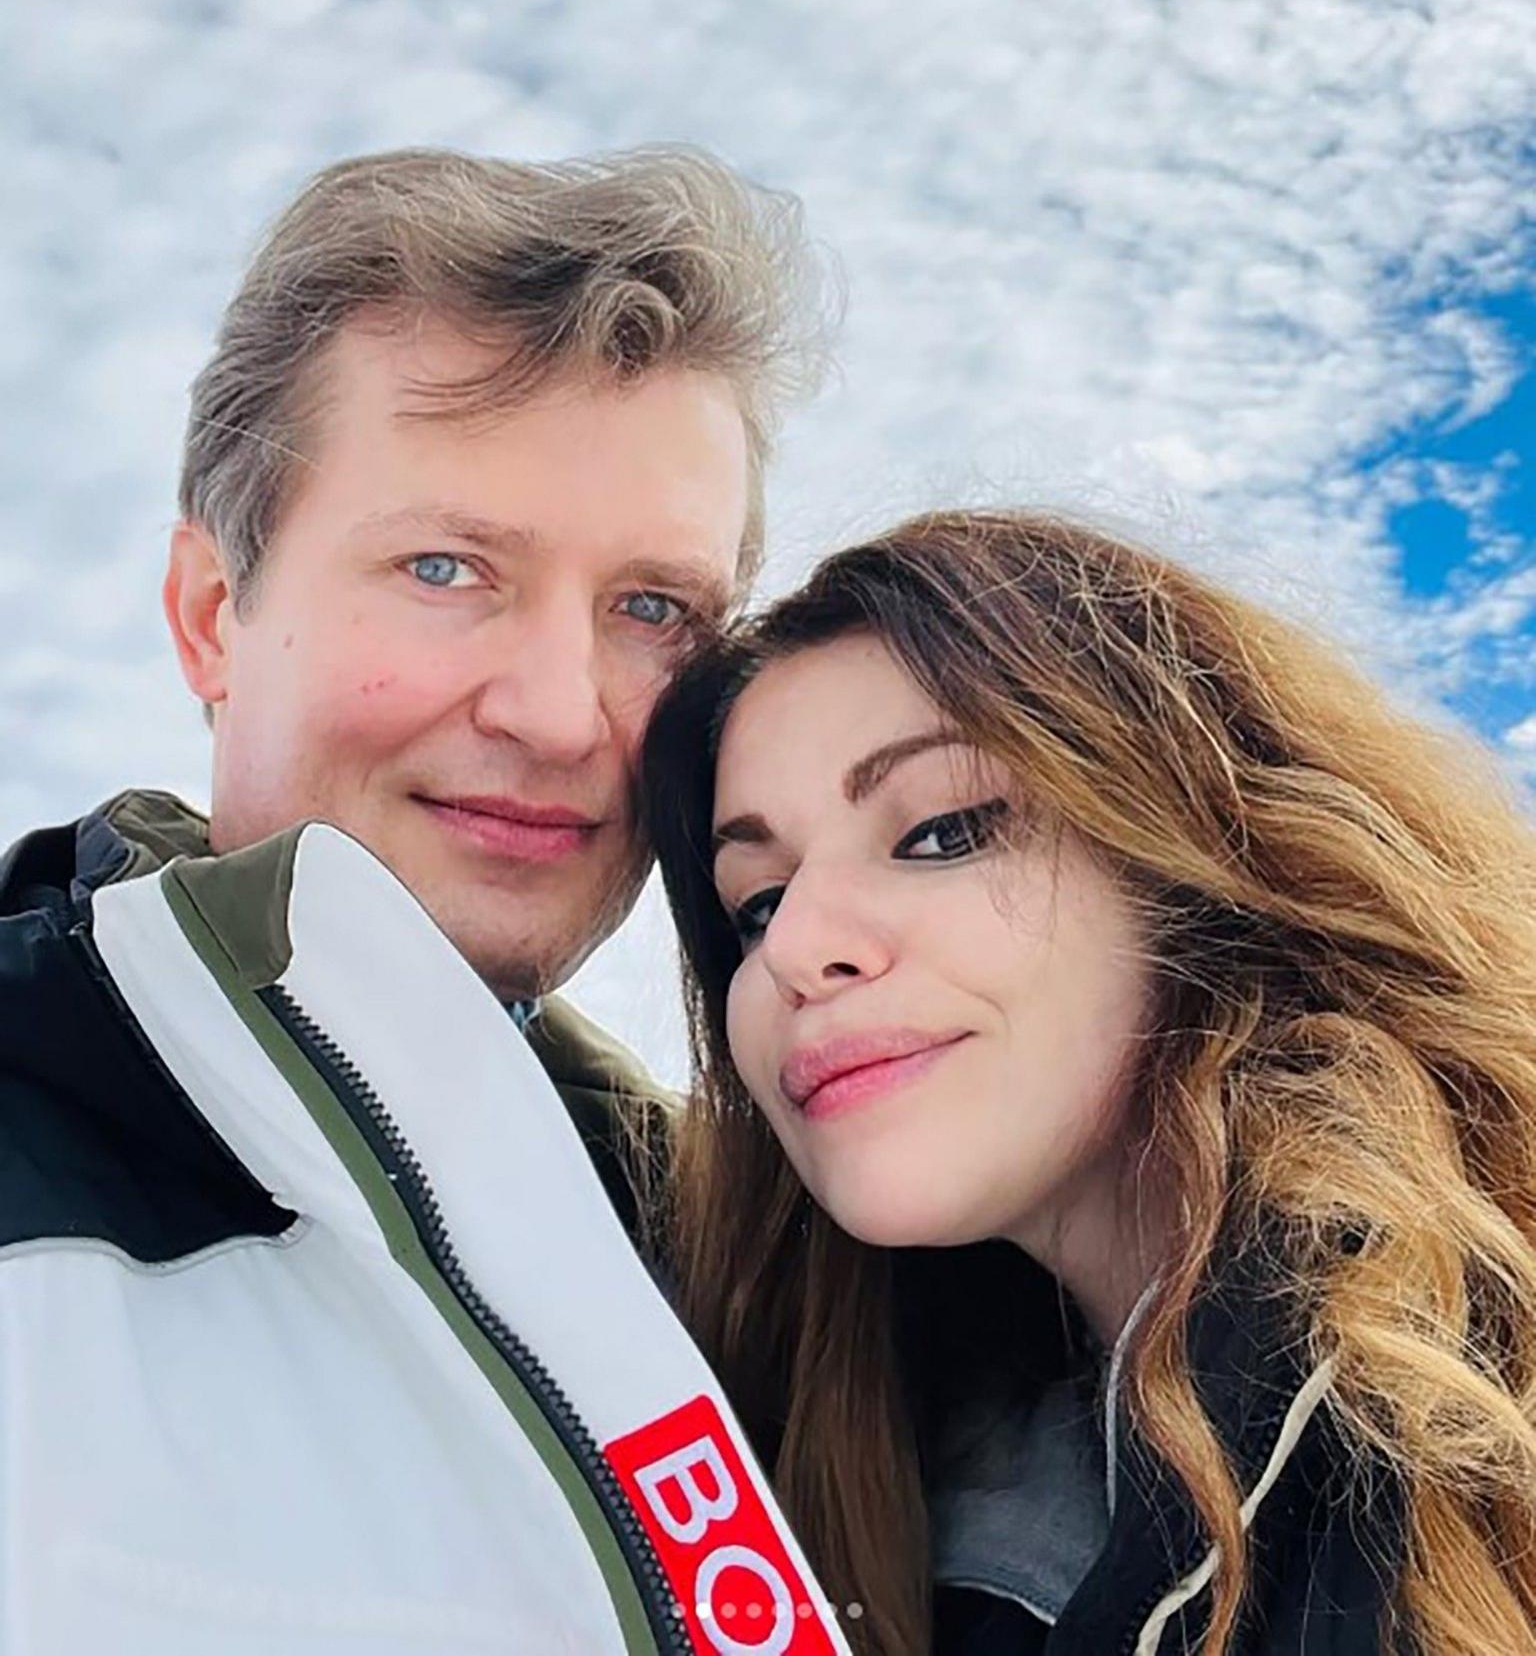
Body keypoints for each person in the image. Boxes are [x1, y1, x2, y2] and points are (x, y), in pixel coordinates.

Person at [0, 146, 849, 1653]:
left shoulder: (763, 1259)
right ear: (213, 615)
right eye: (446, 566)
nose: (558, 714)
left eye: (652, 609)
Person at [642, 508, 1536, 1656]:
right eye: (755, 903)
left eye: (942, 831)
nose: (796, 946)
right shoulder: (892, 1511)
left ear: (1190, 856)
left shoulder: (1472, 1423)